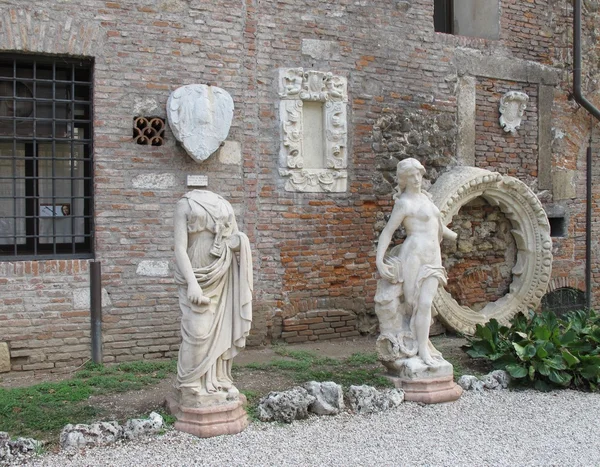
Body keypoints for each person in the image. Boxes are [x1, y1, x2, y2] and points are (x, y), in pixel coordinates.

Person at [173, 190, 252, 407]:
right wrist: (192, 284)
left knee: (222, 327)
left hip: (222, 272)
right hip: (197, 274)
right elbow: (179, 248)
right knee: (197, 332)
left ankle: (218, 380)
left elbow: (234, 237)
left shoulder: (224, 204)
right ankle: (189, 385)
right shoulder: (184, 204)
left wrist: (239, 241)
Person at [375, 158, 456, 366]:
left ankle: (423, 348)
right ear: (404, 179)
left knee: (426, 303)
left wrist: (454, 235)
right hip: (414, 256)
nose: (417, 179)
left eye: (419, 174)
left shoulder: (427, 200)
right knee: (413, 304)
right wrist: (379, 261)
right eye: (411, 176)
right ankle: (414, 347)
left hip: (433, 255)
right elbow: (388, 232)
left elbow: (437, 227)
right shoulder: (404, 204)